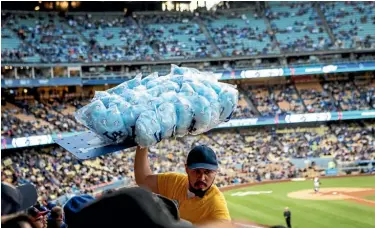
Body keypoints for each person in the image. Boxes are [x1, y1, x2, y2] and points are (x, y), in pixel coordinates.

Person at [134, 145, 231, 225]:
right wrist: (143, 143)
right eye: (197, 171)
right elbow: (143, 179)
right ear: (186, 169)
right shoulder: (175, 181)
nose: (202, 178)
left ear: (215, 172)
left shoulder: (216, 203)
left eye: (207, 172)